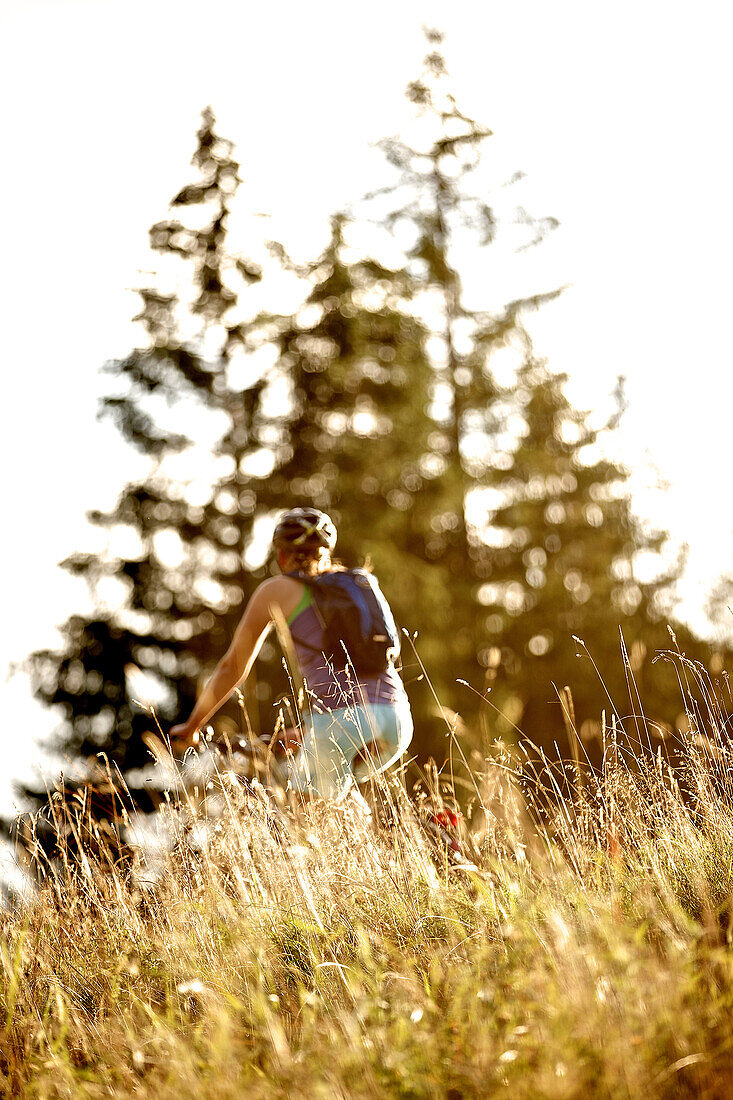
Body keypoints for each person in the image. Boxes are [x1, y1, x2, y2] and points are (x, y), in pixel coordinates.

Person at [169, 507, 413, 799]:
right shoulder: (360, 585)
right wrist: (306, 732)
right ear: (324, 551)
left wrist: (192, 726)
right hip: (396, 718)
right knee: (338, 801)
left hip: (341, 721)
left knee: (302, 822)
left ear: (281, 554)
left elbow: (233, 667)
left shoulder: (276, 590)